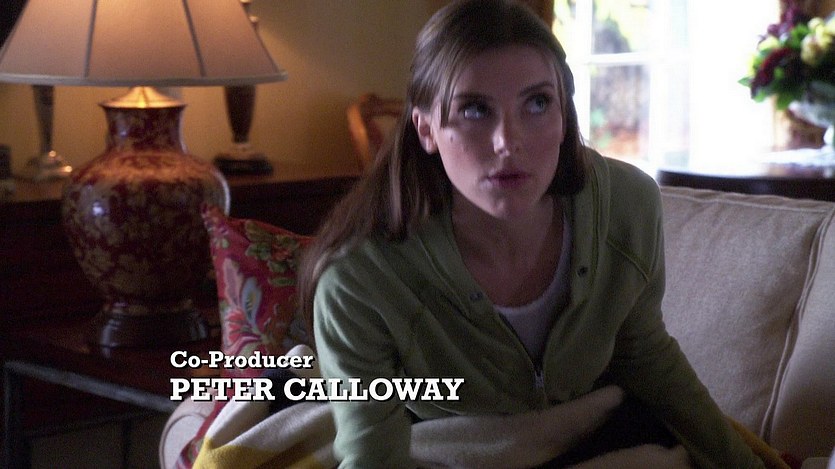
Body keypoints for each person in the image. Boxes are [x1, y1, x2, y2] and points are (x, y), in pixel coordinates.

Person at [298, 0, 766, 467]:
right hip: (444, 447)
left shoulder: (629, 207)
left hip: (594, 434)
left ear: (564, 117)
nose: (508, 141)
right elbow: (373, 454)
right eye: (475, 109)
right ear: (426, 129)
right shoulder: (360, 280)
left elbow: (644, 355)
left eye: (537, 103)